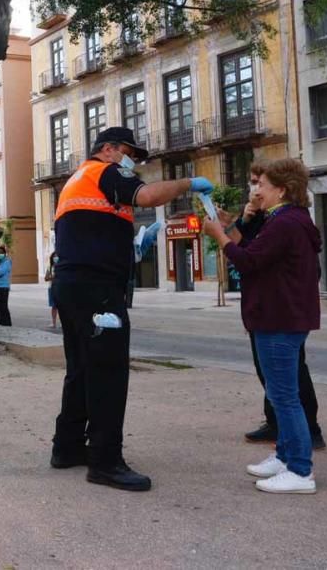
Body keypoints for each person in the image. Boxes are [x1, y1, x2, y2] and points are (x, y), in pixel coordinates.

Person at [50, 126, 211, 492]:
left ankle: (68, 447)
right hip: (97, 290)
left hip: (71, 286)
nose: (133, 162)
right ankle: (106, 461)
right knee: (108, 371)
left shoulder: (78, 180)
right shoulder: (106, 171)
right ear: (108, 149)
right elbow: (149, 196)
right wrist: (188, 184)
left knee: (80, 369)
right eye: (130, 154)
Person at [203, 158, 322, 495]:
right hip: (278, 316)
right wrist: (240, 223)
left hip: (279, 318)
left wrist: (220, 237)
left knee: (285, 396)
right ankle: (285, 456)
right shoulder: (284, 220)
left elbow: (249, 260)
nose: (255, 190)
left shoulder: (286, 223)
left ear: (282, 189)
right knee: (280, 392)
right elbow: (257, 252)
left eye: (261, 185)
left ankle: (300, 470)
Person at [45, 251, 59, 328]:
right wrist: (53, 277)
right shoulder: (50, 267)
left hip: (60, 288)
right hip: (52, 288)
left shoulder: (62, 267)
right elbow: (46, 278)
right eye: (54, 257)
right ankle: (54, 323)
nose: (55, 258)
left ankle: (63, 323)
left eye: (57, 256)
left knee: (61, 306)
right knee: (54, 306)